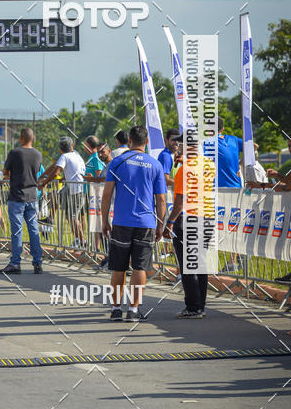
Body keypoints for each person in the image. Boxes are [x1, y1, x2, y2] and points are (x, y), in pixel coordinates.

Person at [101, 126, 167, 322]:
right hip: (146, 223)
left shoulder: (117, 163)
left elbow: (106, 196)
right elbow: (161, 200)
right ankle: (133, 310)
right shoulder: (155, 165)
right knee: (140, 267)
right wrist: (160, 225)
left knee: (118, 267)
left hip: (121, 222)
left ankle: (115, 309)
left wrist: (104, 221)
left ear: (129, 140)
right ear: (146, 142)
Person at [163, 130, 216, 317]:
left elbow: (180, 201)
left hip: (188, 219)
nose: (178, 146)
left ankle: (193, 307)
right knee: (200, 262)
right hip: (207, 217)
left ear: (188, 146)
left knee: (187, 265)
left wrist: (169, 222)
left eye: (181, 143)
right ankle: (200, 305)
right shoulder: (209, 164)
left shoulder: (184, 169)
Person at [1, 127, 44, 275]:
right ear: (33, 138)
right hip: (32, 197)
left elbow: (5, 172)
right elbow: (36, 171)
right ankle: (38, 263)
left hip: (17, 197)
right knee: (33, 230)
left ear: (21, 138)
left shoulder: (14, 153)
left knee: (17, 231)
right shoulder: (38, 154)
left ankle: (15, 263)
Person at [38, 137, 86, 248]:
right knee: (69, 214)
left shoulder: (64, 156)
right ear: (72, 146)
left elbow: (56, 171)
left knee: (73, 217)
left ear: (60, 149)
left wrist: (44, 182)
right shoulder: (77, 156)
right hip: (76, 188)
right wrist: (54, 179)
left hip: (75, 190)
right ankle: (51, 218)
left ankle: (83, 241)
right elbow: (69, 172)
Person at [217, 117, 242, 187]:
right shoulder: (234, 139)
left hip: (215, 188)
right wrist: (240, 163)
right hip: (236, 187)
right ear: (222, 129)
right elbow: (254, 146)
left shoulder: (205, 143)